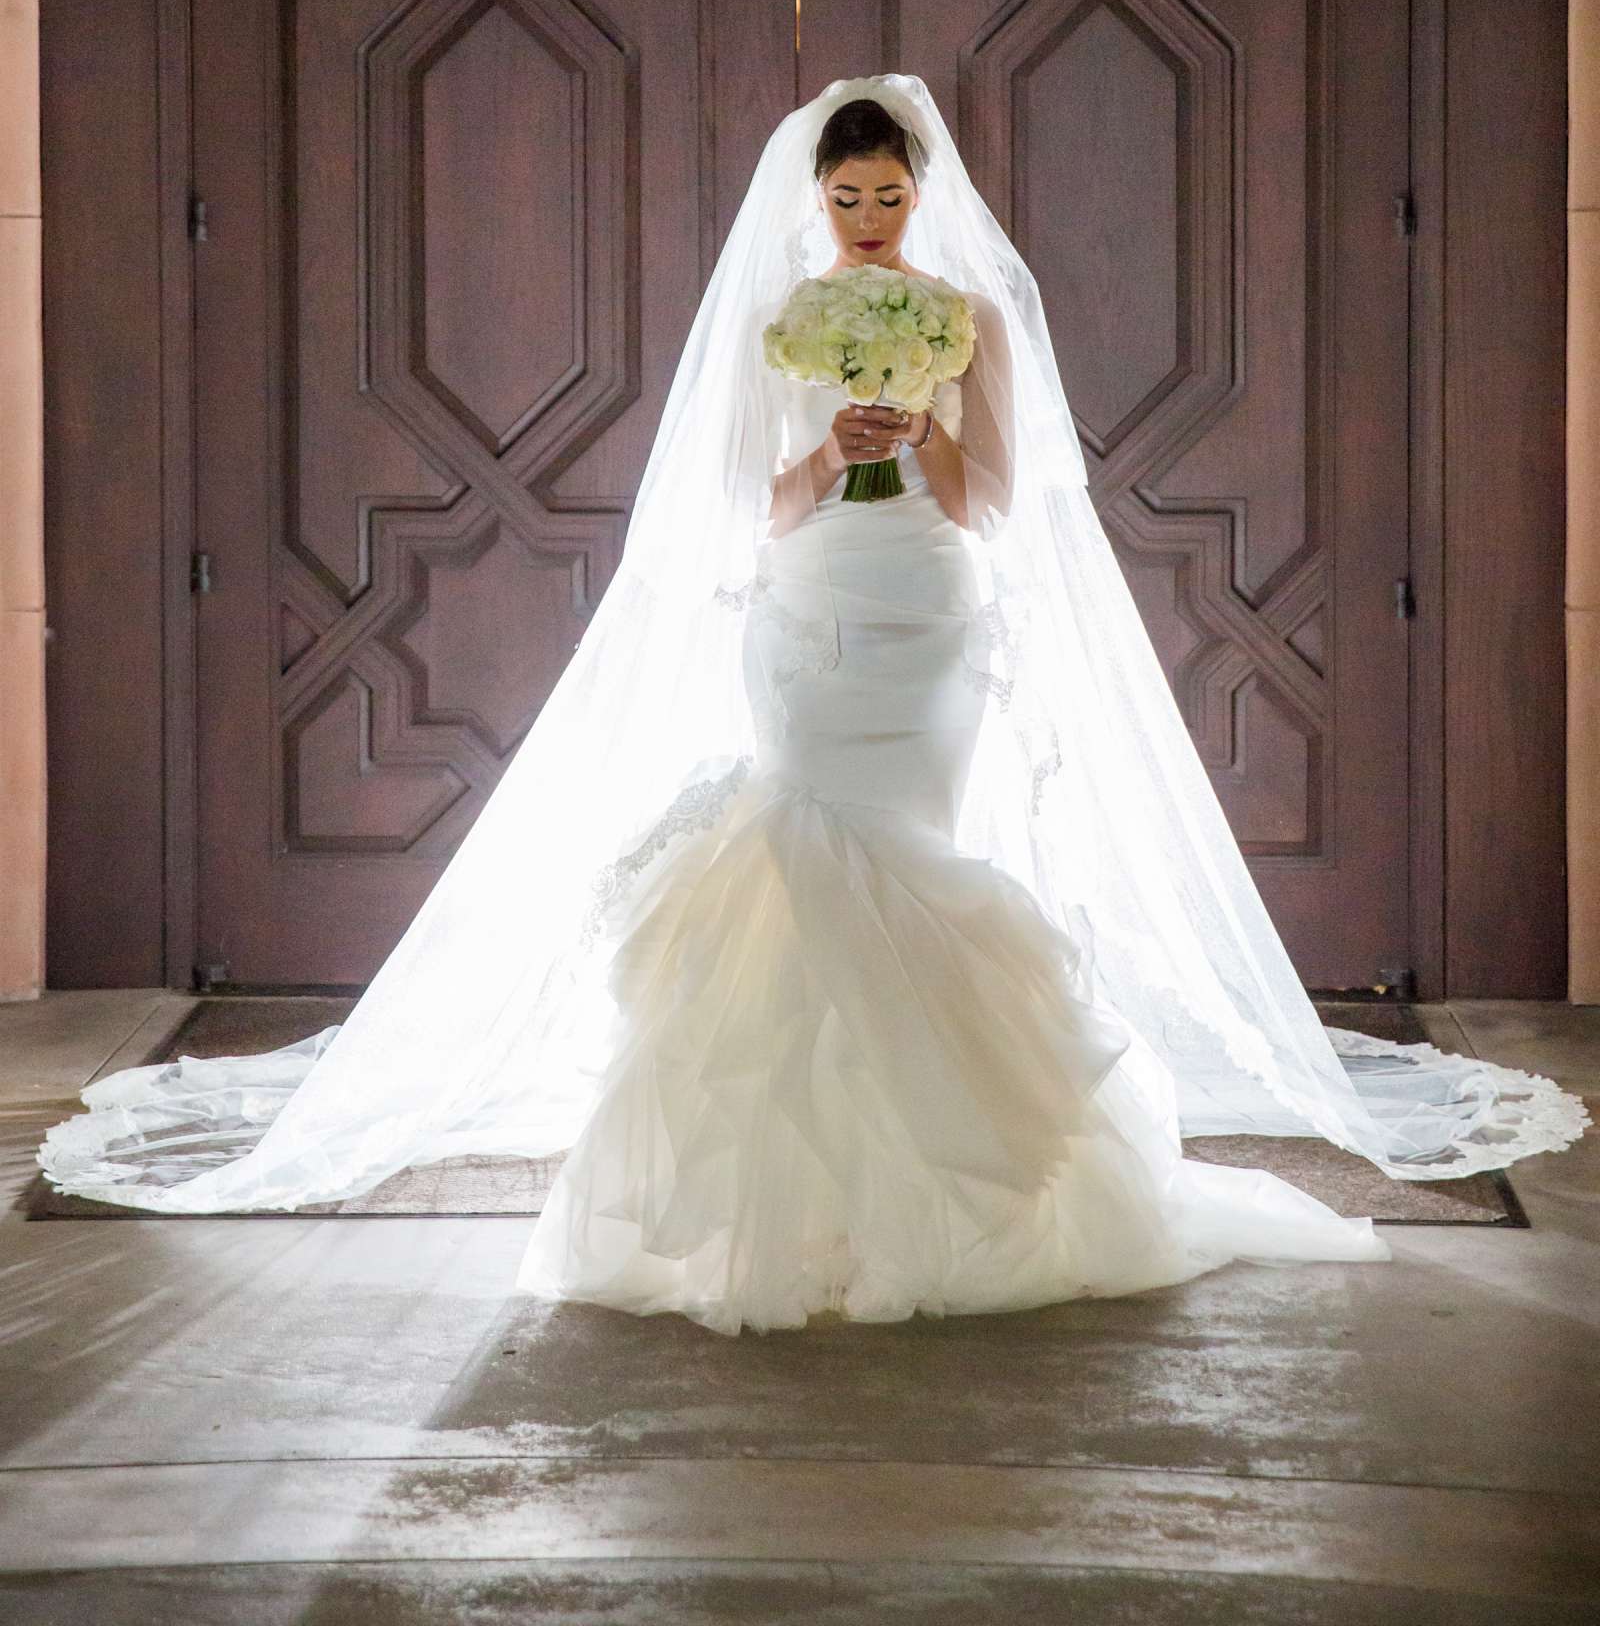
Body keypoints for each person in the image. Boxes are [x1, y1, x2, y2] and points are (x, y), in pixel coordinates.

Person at [42, 76, 1588, 1337]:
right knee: (796, 840)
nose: (866, 220)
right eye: (845, 198)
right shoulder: (777, 318)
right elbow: (739, 511)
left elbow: (994, 503)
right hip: (805, 614)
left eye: (890, 196)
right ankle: (786, 1199)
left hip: (924, 613)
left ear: (923, 193)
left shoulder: (959, 319)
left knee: (908, 849)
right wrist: (823, 446)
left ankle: (947, 1180)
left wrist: (912, 436)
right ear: (815, 199)